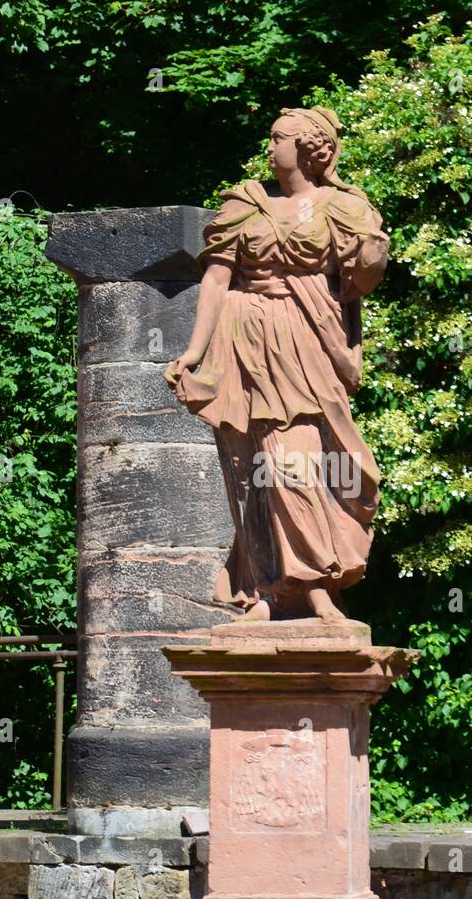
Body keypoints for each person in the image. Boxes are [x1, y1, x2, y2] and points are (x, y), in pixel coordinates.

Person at [166, 106, 389, 622]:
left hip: (305, 342)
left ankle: (315, 587)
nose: (270, 148)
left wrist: (374, 251)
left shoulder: (340, 207)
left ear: (308, 149)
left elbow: (361, 280)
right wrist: (195, 353)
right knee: (252, 470)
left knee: (298, 461)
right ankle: (267, 593)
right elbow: (218, 282)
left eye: (278, 139)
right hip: (243, 341)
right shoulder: (247, 204)